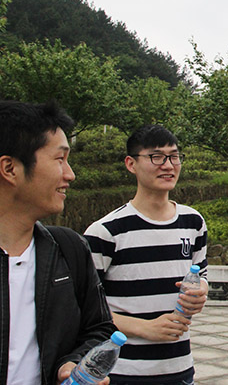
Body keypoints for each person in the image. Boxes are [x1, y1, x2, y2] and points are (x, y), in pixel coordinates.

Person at [0, 100, 116, 384]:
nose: (70, 175)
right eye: (59, 159)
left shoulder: (69, 248)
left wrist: (73, 363)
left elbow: (98, 329)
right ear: (10, 168)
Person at [84, 125, 208, 385]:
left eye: (174, 156)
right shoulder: (106, 232)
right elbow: (83, 309)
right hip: (122, 373)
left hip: (179, 370)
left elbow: (201, 274)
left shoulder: (193, 222)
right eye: (156, 157)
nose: (168, 165)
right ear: (131, 164)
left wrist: (201, 292)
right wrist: (145, 328)